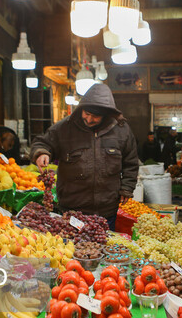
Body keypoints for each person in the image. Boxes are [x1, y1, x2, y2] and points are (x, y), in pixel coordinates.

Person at [30, 83, 139, 230]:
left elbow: (130, 162)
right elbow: (42, 142)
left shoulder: (121, 131)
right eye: (86, 113)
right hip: (72, 210)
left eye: (95, 116)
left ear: (106, 114)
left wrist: (127, 187)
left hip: (107, 210)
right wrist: (41, 152)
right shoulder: (65, 128)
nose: (88, 119)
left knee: (104, 248)